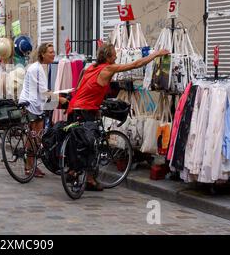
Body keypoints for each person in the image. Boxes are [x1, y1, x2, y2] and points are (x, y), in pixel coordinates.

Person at [67, 43, 170, 190]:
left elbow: (80, 87)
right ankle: (76, 173)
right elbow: (136, 64)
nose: (116, 56)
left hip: (75, 107)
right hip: (85, 109)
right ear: (108, 57)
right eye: (114, 54)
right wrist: (156, 54)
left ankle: (86, 177)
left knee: (78, 142)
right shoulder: (108, 68)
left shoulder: (91, 68)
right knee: (90, 143)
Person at [19, 43, 68, 177]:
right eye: (50, 52)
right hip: (31, 105)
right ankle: (29, 167)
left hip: (35, 104)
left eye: (53, 52)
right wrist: (60, 99)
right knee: (34, 137)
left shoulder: (41, 67)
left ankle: (31, 165)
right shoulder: (37, 69)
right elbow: (43, 91)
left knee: (35, 137)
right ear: (42, 54)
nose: (53, 54)